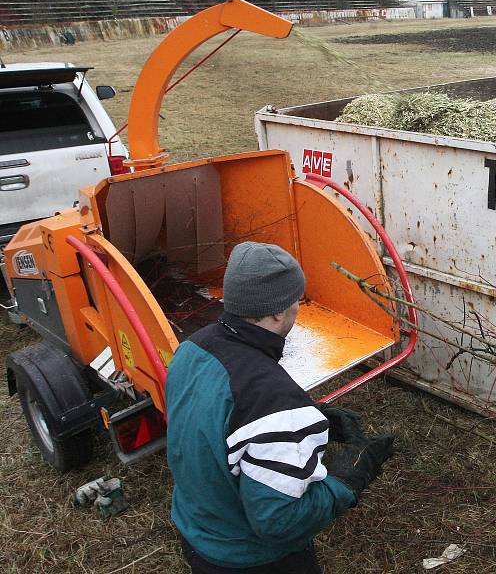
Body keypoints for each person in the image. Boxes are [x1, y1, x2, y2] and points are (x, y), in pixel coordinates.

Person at [166, 242, 395, 574]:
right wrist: (346, 482)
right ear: (276, 312)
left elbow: (213, 419)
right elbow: (279, 522)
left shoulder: (192, 347)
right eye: (296, 301)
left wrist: (311, 417)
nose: (296, 309)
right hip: (249, 559)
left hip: (197, 531)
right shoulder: (274, 403)